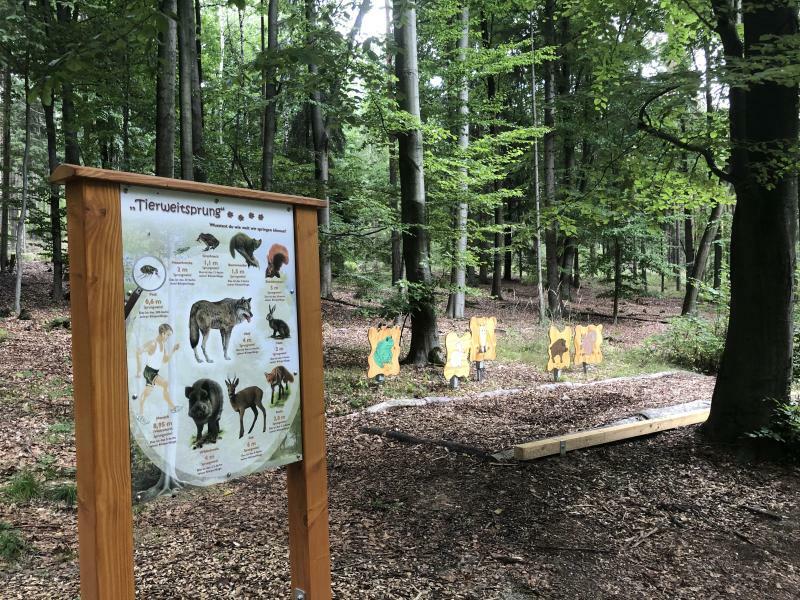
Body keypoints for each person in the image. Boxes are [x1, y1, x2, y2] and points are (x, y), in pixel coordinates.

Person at [134, 323, 180, 424]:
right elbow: (138, 352)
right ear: (162, 333)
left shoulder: (163, 345)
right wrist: (138, 370)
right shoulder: (153, 344)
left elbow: (165, 360)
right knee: (164, 384)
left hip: (153, 372)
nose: (168, 337)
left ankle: (140, 415)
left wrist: (173, 350)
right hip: (150, 372)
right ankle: (172, 407)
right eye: (168, 335)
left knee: (147, 393)